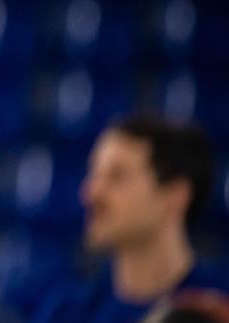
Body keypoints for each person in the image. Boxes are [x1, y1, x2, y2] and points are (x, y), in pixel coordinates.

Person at [35, 115, 226, 323]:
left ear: (175, 195)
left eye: (117, 176)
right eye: (94, 174)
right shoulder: (67, 313)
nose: (91, 193)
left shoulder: (219, 307)